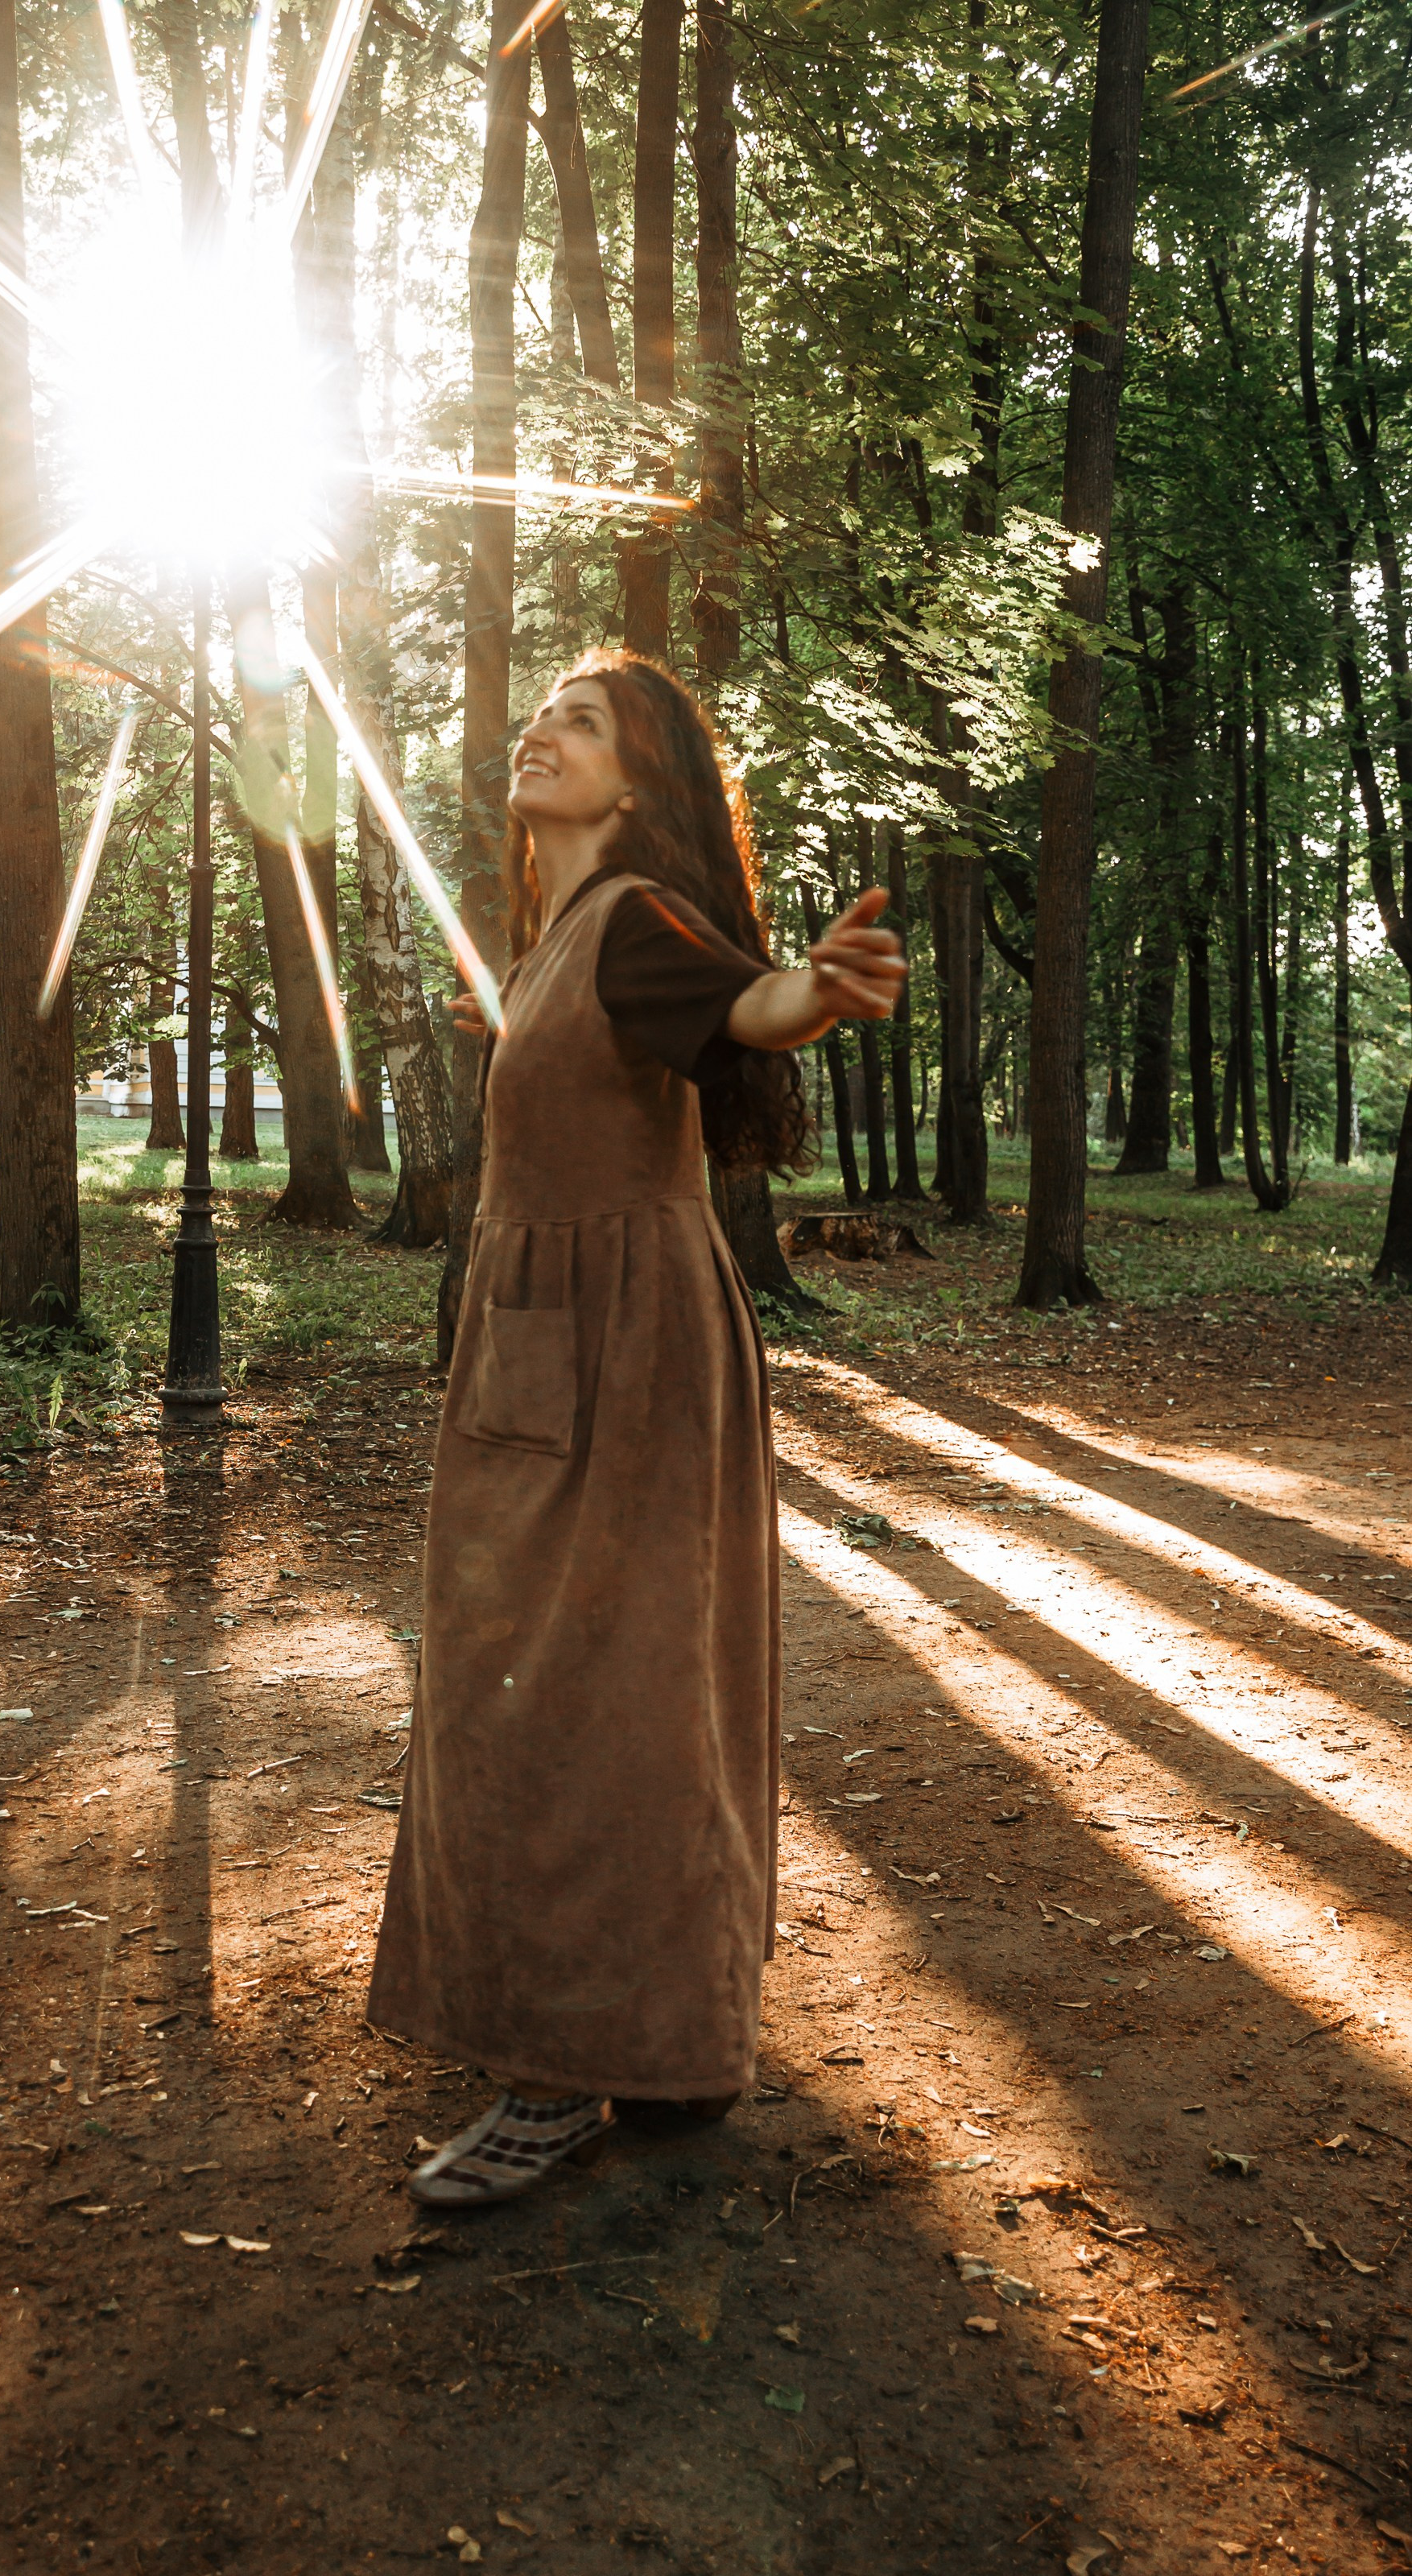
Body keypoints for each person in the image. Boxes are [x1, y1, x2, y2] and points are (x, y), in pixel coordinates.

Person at [365, 650, 906, 2209]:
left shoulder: (631, 921)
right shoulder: (550, 938)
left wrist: (812, 991)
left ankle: (557, 2072)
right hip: (550, 1349)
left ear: (639, 777)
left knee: (575, 1701)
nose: (542, 727)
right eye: (538, 708)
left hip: (622, 1358)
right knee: (608, 1691)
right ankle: (662, 2039)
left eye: (583, 722)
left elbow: (746, 1003)